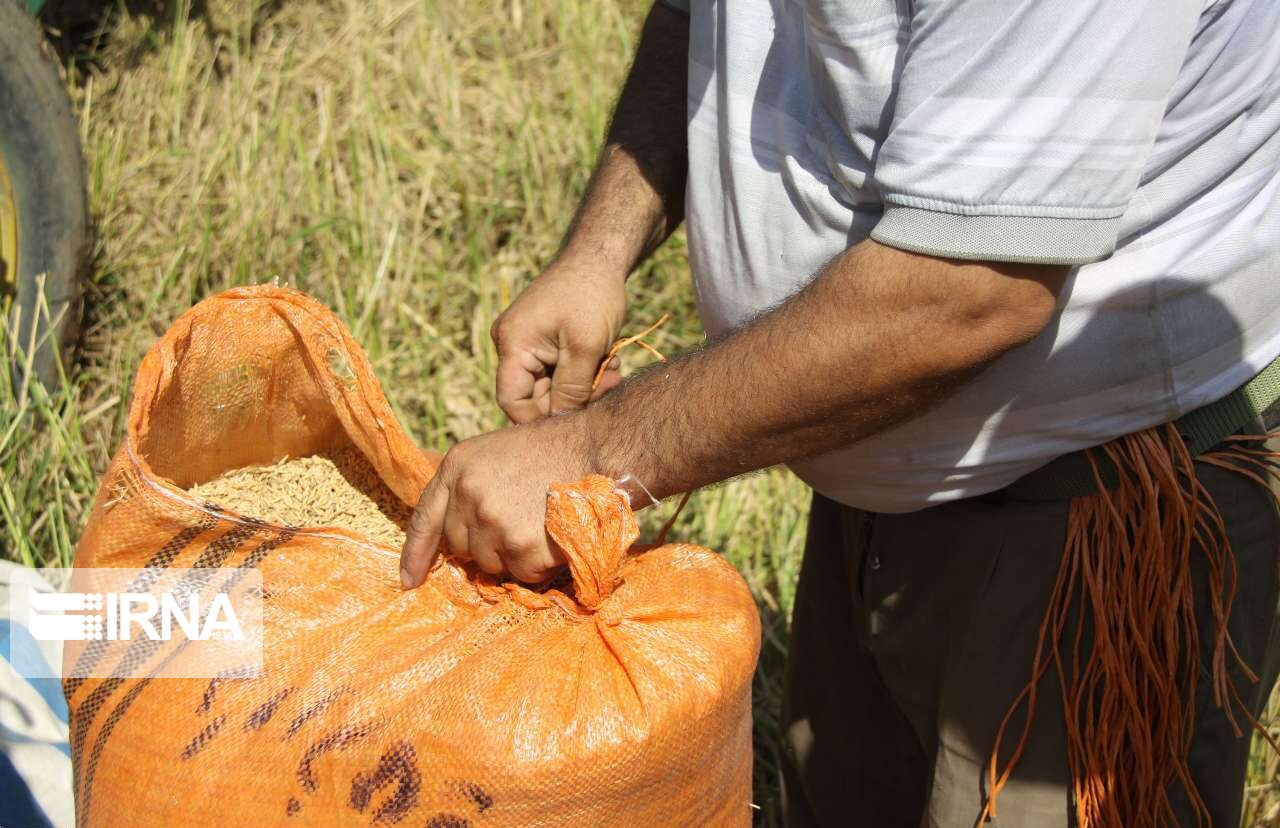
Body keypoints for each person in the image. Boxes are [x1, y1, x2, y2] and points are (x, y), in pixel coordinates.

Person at [399, 0, 1280, 824]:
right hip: (873, 463)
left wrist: (594, 446)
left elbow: (968, 291)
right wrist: (600, 246)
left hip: (1091, 508)